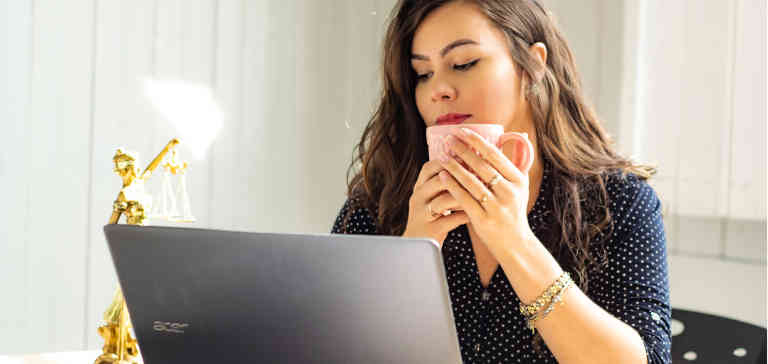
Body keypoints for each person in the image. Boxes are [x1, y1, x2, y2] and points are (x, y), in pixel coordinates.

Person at [331, 0, 671, 363]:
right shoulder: (381, 198)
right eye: (422, 74)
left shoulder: (620, 203)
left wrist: (515, 242)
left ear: (533, 64)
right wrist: (411, 255)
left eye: (463, 63)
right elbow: (325, 347)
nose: (438, 89)